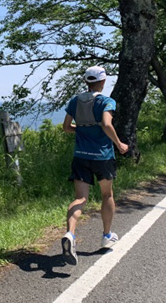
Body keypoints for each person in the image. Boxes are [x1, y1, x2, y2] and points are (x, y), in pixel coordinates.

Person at [61, 65, 129, 265]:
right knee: (107, 195)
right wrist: (119, 144)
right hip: (102, 156)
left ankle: (70, 235)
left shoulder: (75, 101)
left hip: (80, 156)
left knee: (80, 198)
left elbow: (66, 128)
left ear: (86, 82)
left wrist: (81, 131)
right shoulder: (106, 101)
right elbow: (107, 124)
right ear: (103, 81)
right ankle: (107, 235)